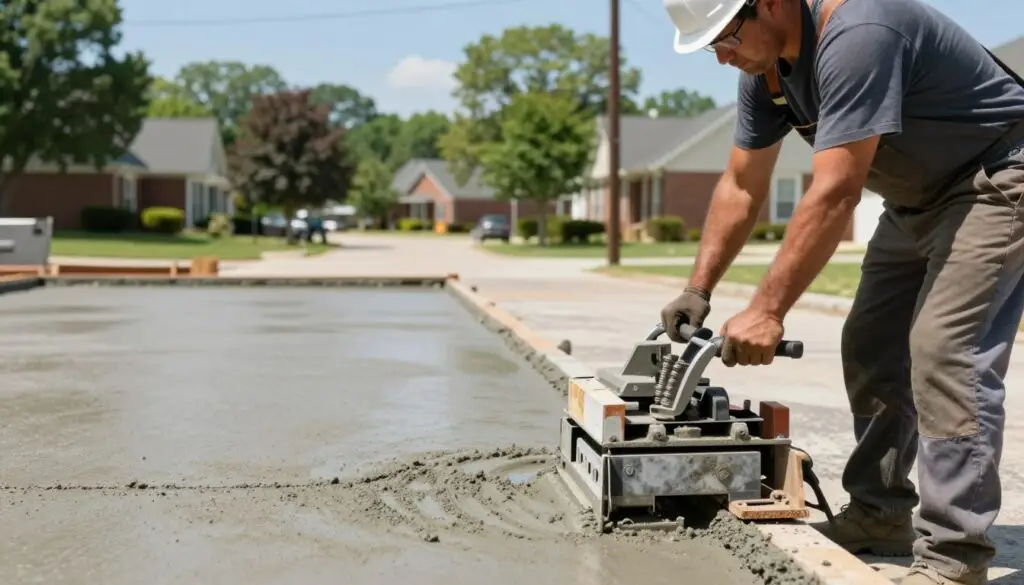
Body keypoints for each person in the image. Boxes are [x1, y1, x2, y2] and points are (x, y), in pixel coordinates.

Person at [657, 0, 1024, 583]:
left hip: (994, 180)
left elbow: (836, 192)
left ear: (770, 5)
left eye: (725, 37)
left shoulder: (858, 35)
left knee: (943, 351)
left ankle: (955, 556)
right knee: (872, 343)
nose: (722, 58)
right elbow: (741, 185)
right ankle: (880, 515)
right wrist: (698, 289)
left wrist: (767, 310)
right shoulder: (766, 69)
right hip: (915, 200)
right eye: (711, 48)